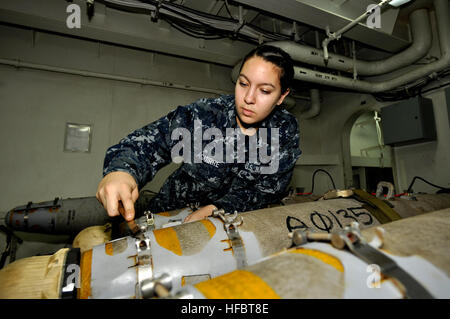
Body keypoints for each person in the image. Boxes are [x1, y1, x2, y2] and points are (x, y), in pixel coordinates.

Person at [96, 45, 302, 223]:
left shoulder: (284, 130)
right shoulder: (207, 115)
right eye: (243, 83)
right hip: (169, 213)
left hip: (231, 222)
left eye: (264, 91)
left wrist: (219, 208)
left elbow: (268, 190)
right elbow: (153, 140)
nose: (248, 98)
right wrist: (122, 170)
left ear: (282, 96)